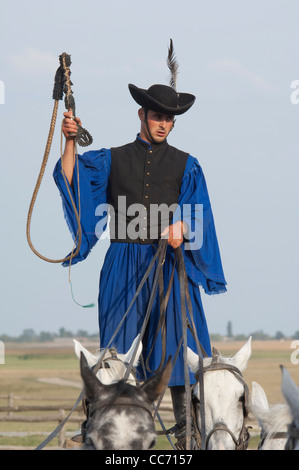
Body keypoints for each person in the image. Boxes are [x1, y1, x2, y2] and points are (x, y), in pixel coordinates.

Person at [53, 56, 227, 449]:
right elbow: (72, 180)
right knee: (114, 362)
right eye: (157, 116)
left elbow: (199, 216)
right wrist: (68, 140)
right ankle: (101, 437)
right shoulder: (112, 158)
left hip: (171, 270)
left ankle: (188, 440)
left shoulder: (188, 165)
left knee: (181, 358)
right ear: (142, 114)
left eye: (170, 119)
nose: (163, 123)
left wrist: (182, 226)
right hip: (123, 269)